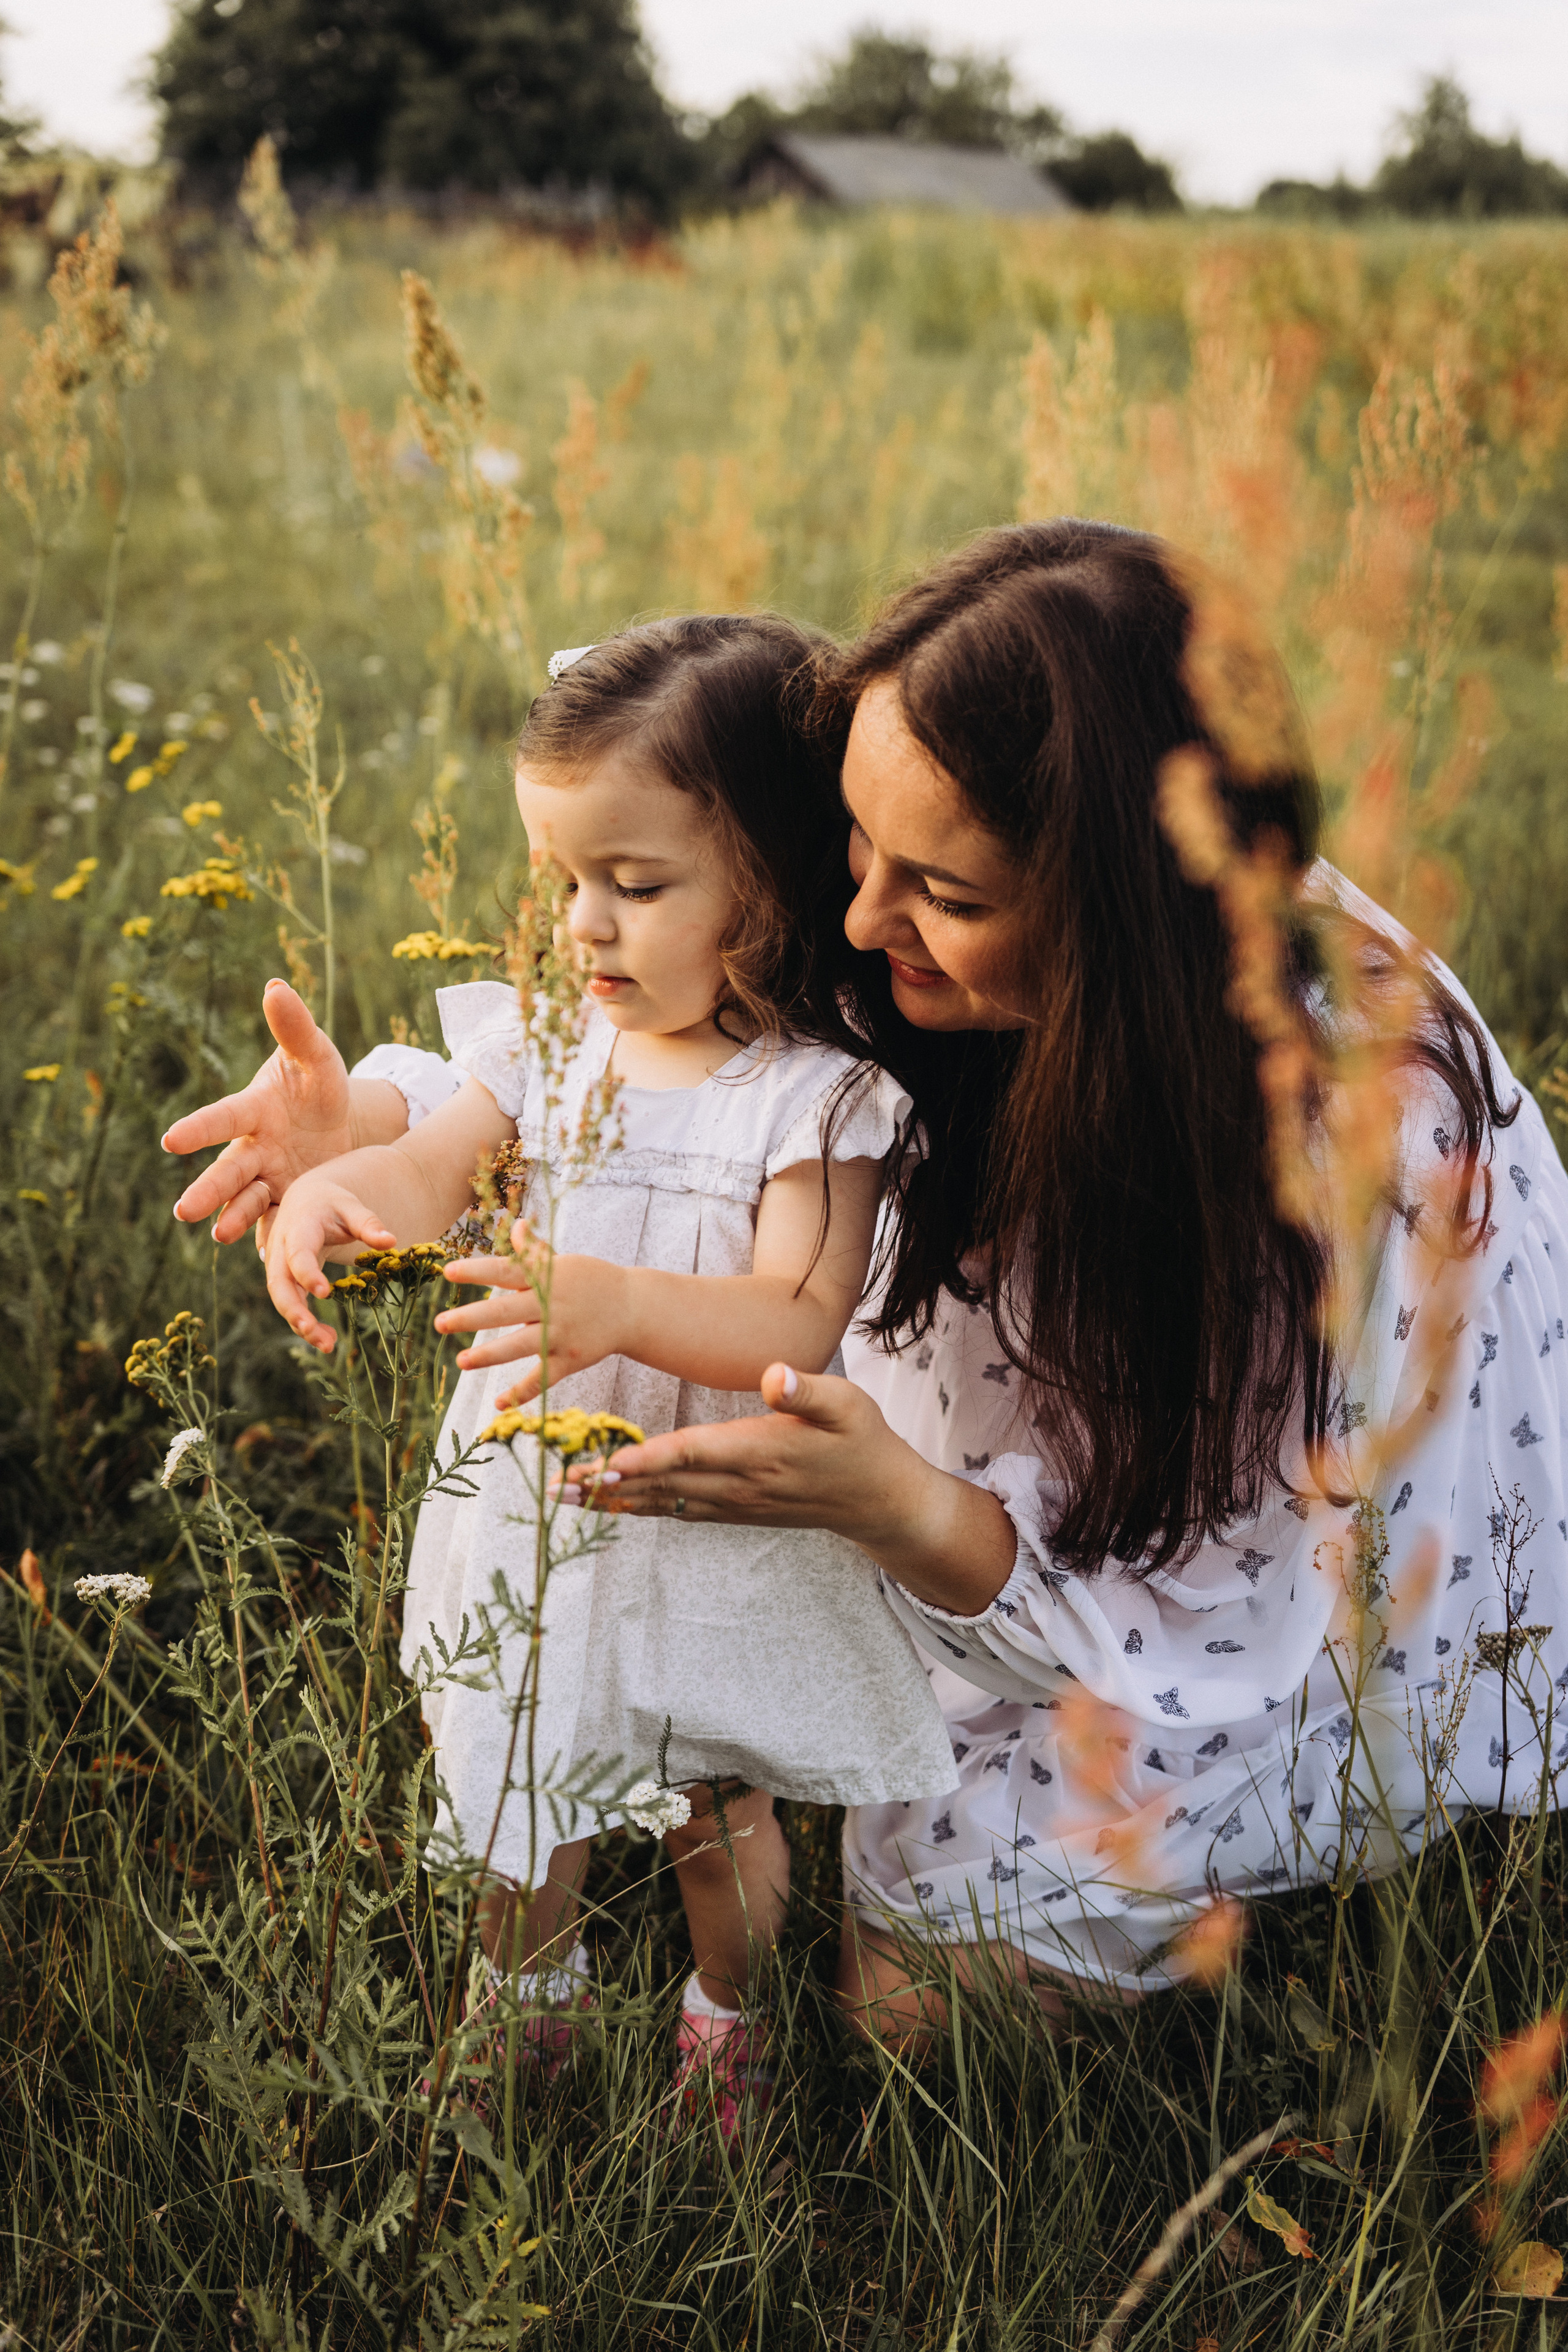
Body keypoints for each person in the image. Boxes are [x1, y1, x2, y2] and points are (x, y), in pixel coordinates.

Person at [165, 522, 1568, 2053]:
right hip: (960, 1458)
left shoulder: (1333, 1148)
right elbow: (671, 1075)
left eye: (944, 892)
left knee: (913, 2012)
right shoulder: (916, 916)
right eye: (852, 846)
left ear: (1110, 914)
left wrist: (892, 1508)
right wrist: (376, 1128)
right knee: (665, 1689)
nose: (853, 924)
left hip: (1227, 1602)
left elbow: (1217, 1597)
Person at [249, 615, 955, 2121]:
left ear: (767, 889)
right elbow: (432, 1166)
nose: (584, 925)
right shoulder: (547, 1051)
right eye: (566, 882)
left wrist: (619, 1301)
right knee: (525, 1767)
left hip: (714, 1504)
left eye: (636, 887)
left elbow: (793, 1319)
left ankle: (731, 2027)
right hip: (544, 1498)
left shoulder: (813, 1103)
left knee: (719, 1803)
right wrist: (341, 1193)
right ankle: (526, 2011)